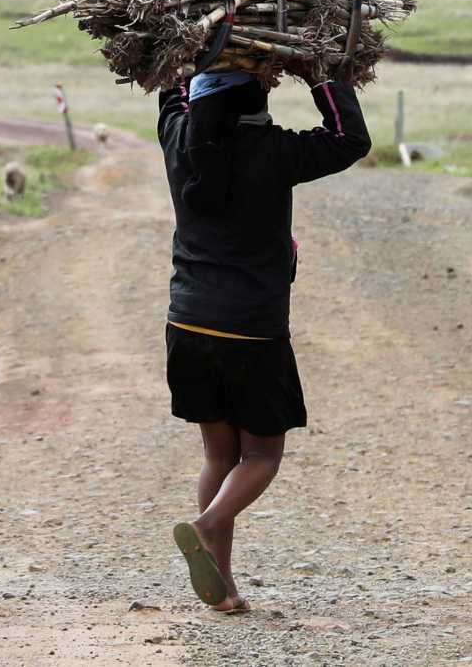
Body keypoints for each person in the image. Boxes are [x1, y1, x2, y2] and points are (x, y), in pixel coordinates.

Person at [157, 66, 371, 613]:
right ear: (258, 99)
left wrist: (195, 48)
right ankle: (209, 524)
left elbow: (172, 86)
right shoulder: (272, 149)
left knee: (219, 454)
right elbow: (350, 138)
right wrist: (322, 72)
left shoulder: (178, 138)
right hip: (252, 330)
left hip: (188, 324)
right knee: (262, 454)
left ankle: (223, 587)